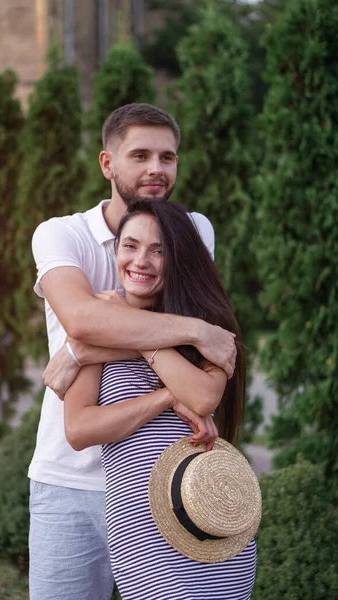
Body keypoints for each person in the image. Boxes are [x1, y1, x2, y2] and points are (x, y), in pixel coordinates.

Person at [28, 103, 237, 600]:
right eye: (140, 155)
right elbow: (82, 318)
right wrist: (194, 332)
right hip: (70, 484)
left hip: (167, 481)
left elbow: (96, 332)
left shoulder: (192, 232)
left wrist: (83, 351)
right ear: (107, 163)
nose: (155, 169)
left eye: (167, 157)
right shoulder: (62, 234)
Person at [64, 200, 257, 600]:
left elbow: (202, 397)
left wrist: (144, 344)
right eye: (130, 246)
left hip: (210, 523)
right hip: (141, 534)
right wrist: (168, 396)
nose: (142, 261)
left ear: (177, 258)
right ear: (116, 251)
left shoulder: (207, 328)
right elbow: (79, 429)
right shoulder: (98, 325)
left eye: (158, 250)